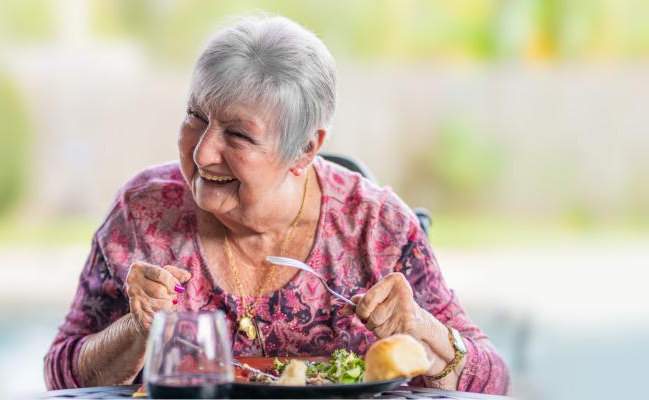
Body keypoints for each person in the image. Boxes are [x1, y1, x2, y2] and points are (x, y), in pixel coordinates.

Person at [44, 15, 509, 394]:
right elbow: (60, 377)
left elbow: (493, 381)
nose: (203, 152)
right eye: (195, 116)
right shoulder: (143, 214)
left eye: (239, 135)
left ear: (306, 149)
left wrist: (421, 329)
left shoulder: (376, 229)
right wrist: (138, 329)